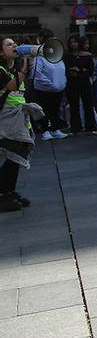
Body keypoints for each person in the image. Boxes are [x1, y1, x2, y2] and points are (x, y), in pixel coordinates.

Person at [0, 37, 39, 211]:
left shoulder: (14, 68)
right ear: (1, 52)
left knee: (17, 156)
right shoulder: (1, 69)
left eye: (15, 43)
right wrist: (24, 69)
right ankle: (2, 194)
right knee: (12, 153)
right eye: (9, 44)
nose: (14, 46)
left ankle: (9, 191)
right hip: (5, 119)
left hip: (18, 117)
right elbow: (10, 86)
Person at [30, 31, 68, 140]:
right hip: (44, 90)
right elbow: (37, 74)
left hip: (57, 89)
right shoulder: (39, 57)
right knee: (44, 110)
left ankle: (55, 129)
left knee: (55, 110)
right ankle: (45, 130)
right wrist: (51, 84)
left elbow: (61, 70)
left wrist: (61, 83)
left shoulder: (57, 55)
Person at [65, 35, 97, 134]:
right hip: (72, 81)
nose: (73, 44)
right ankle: (75, 126)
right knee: (73, 104)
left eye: (75, 42)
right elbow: (65, 68)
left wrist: (81, 71)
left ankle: (91, 125)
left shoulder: (87, 55)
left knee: (88, 103)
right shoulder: (67, 56)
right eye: (71, 42)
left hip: (84, 80)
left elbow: (91, 69)